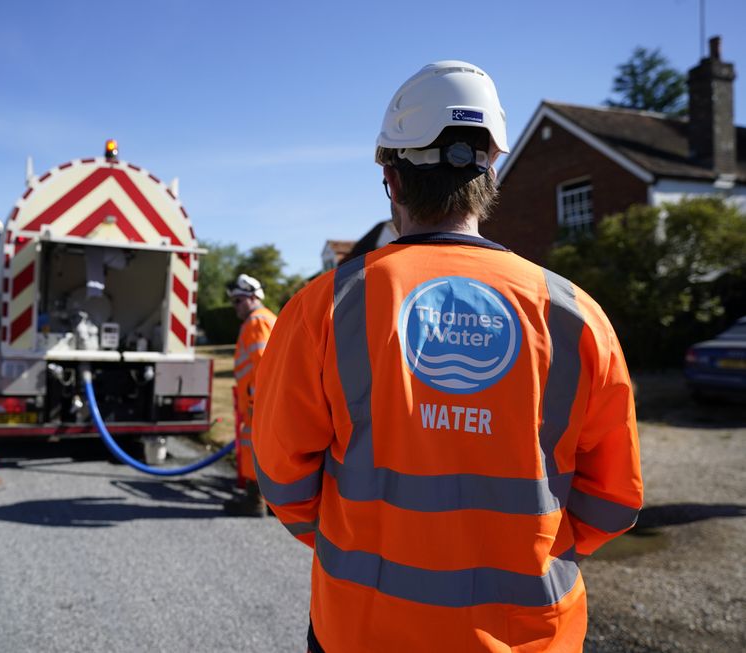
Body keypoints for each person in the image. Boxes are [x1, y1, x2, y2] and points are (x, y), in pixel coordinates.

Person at [252, 61, 643, 652]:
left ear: (392, 177)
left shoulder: (323, 307)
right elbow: (614, 499)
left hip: (364, 630)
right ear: (490, 170)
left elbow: (283, 479)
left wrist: (361, 547)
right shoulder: (574, 314)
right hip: (533, 638)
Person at [223, 273, 278, 516]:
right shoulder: (265, 319)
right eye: (233, 301)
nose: (235, 307)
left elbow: (265, 365)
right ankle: (271, 502)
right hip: (262, 401)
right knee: (266, 449)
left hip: (260, 402)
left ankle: (255, 501)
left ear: (254, 297)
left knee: (257, 449)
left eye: (239, 300)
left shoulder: (257, 322)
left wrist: (259, 402)